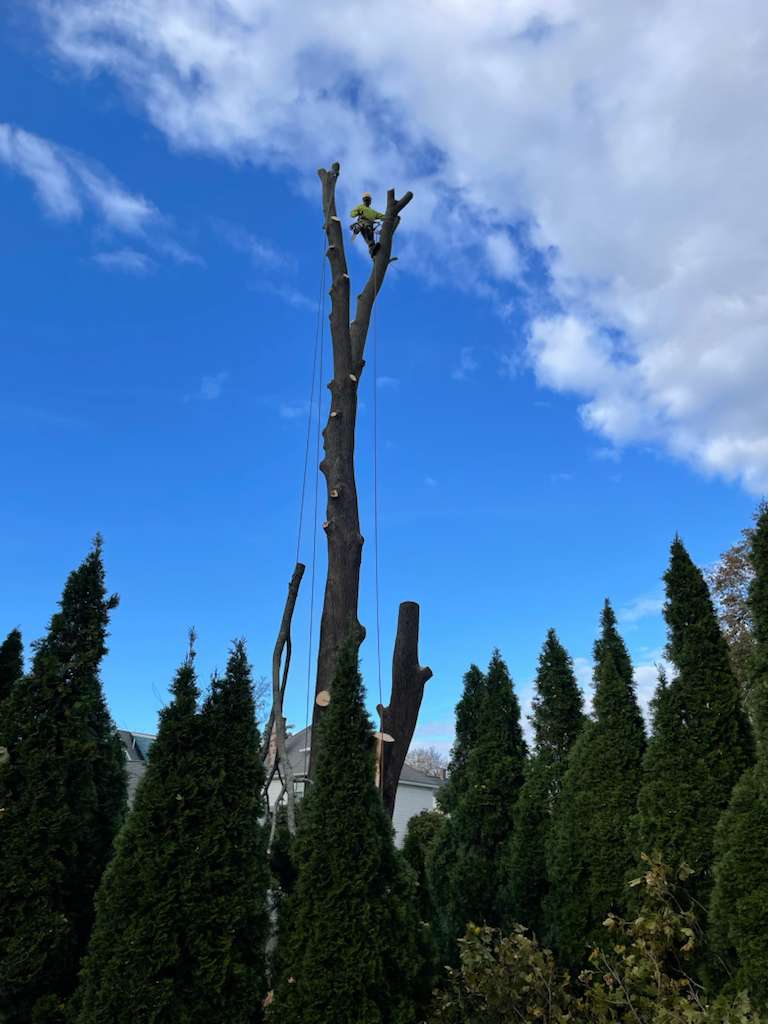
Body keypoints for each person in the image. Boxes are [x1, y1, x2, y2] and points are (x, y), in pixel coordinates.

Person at [350, 192, 385, 256]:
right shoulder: (360, 207)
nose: (367, 201)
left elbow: (381, 216)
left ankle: (373, 251)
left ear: (370, 201)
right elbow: (352, 213)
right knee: (367, 233)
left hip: (370, 225)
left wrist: (389, 216)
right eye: (365, 199)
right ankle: (357, 228)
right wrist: (357, 213)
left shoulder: (373, 212)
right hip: (363, 223)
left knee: (371, 239)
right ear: (363, 200)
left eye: (368, 199)